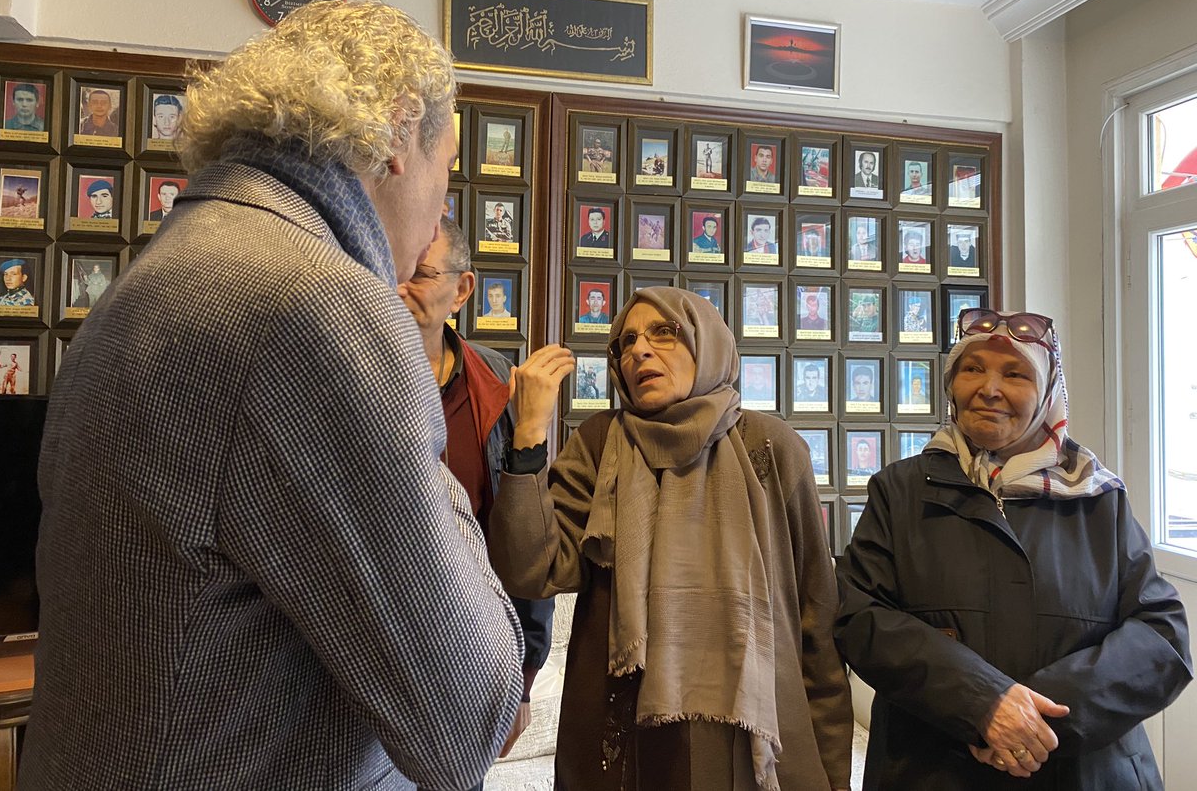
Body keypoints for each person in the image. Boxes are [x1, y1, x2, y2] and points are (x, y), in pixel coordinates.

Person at [19, 0, 525, 791]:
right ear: (400, 134)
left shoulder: (154, 277)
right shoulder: (322, 303)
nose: (439, 215)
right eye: (447, 167)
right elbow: (473, 717)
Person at [488, 287, 853, 790]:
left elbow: (817, 618)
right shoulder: (599, 443)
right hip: (624, 735)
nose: (639, 350)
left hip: (752, 740)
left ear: (708, 343)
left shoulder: (771, 447)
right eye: (626, 342)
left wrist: (834, 775)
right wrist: (528, 434)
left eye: (663, 332)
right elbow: (532, 570)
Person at [836, 308, 1193, 789]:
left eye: (1015, 374)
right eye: (972, 368)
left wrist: (1034, 721)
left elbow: (1161, 635)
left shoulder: (1097, 497)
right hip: (934, 770)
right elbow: (860, 617)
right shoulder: (900, 492)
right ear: (951, 384)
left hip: (1085, 772)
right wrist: (981, 702)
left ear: (1047, 391)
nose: (989, 388)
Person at [397, 218, 557, 787]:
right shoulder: (345, 373)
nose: (397, 284)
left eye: (418, 273)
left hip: (467, 655)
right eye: (388, 265)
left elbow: (526, 539)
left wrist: (521, 680)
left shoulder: (498, 387)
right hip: (368, 649)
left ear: (462, 290)